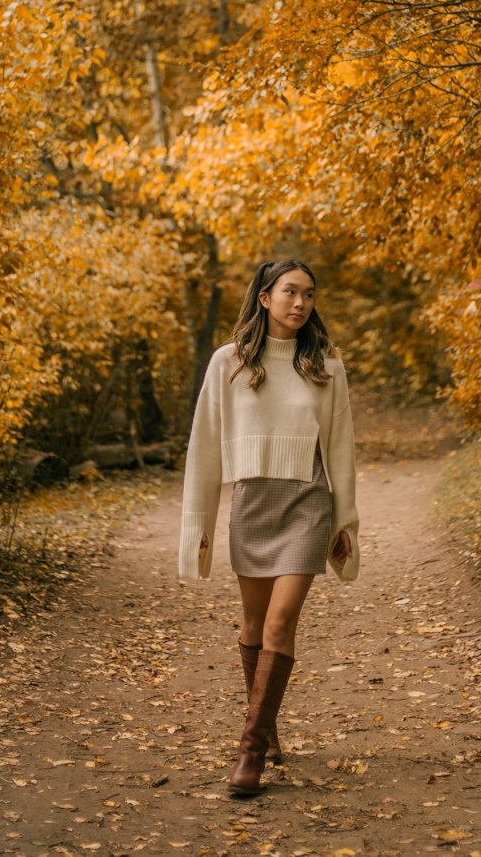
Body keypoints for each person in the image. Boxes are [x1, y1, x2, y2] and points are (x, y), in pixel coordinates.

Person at [178, 259, 360, 797]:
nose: (300, 303)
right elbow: (204, 446)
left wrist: (344, 519)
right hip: (253, 503)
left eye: (308, 294)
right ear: (263, 296)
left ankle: (249, 751)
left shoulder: (325, 363)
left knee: (281, 623)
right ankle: (268, 724)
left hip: (308, 502)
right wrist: (201, 523)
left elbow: (343, 445)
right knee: (253, 626)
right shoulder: (228, 362)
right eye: (289, 292)